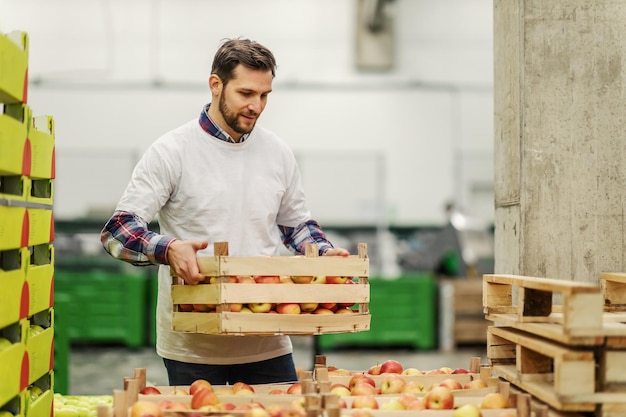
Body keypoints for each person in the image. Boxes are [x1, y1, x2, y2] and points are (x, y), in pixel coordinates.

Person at [100, 38, 349, 386]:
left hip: (268, 340)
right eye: (246, 93)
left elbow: (296, 225)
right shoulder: (172, 151)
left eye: (264, 95)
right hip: (193, 345)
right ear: (216, 85)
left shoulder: (277, 153)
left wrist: (324, 253)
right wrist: (168, 248)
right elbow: (117, 232)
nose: (256, 106)